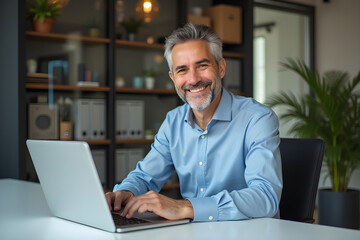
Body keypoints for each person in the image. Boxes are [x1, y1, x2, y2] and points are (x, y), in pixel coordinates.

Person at [105, 23, 282, 222]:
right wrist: (126, 192)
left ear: (221, 68)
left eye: (202, 65)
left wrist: (185, 207)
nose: (193, 79)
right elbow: (145, 176)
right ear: (173, 78)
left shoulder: (257, 118)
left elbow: (265, 197)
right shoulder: (173, 121)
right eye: (182, 70)